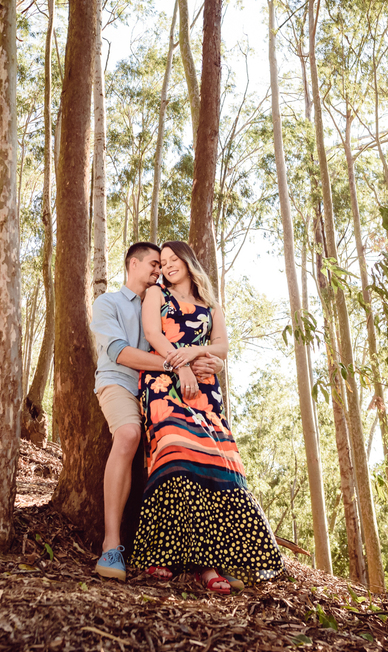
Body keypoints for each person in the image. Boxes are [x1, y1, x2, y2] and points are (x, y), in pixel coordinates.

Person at [129, 241, 284, 593]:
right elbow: (153, 334)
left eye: (172, 260)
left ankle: (208, 564)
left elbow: (222, 348)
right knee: (175, 451)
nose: (167, 266)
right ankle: (162, 553)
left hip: (206, 391)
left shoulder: (211, 307)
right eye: (162, 262)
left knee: (219, 463)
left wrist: (198, 351)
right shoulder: (157, 295)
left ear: (187, 262)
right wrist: (180, 364)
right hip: (163, 382)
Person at [90, 241, 222, 580]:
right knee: (129, 434)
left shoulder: (165, 299)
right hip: (120, 381)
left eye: (162, 265)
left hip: (161, 388)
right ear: (132, 264)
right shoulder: (109, 302)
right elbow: (120, 352)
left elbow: (199, 340)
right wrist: (177, 365)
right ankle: (111, 546)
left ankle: (194, 555)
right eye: (153, 264)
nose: (158, 270)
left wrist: (208, 360)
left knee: (184, 449)